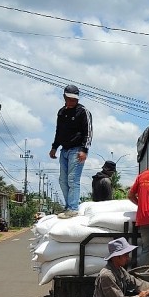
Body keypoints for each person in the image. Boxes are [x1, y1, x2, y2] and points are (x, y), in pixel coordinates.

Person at [49, 84, 92, 219]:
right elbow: (58, 131)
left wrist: (84, 150)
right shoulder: (61, 112)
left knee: (73, 180)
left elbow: (88, 132)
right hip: (64, 150)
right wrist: (54, 147)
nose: (73, 101)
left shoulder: (83, 111)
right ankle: (68, 206)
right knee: (63, 180)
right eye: (70, 98)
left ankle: (73, 208)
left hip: (77, 149)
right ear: (64, 97)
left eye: (75, 99)